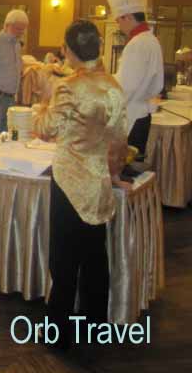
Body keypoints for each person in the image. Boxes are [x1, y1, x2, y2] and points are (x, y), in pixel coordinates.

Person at [32, 20, 129, 350]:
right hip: (98, 181)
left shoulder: (68, 86)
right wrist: (114, 173)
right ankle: (94, 327)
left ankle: (57, 332)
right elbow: (118, 142)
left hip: (68, 181)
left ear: (69, 51)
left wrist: (44, 99)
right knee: (94, 258)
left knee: (63, 260)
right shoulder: (113, 86)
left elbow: (45, 129)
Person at [106, 0, 164, 157]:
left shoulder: (137, 43)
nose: (118, 25)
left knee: (122, 169)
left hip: (131, 114)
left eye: (118, 20)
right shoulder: (151, 40)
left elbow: (126, 87)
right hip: (143, 113)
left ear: (128, 17)